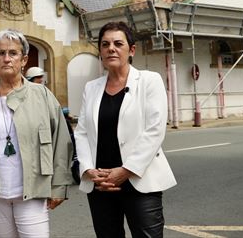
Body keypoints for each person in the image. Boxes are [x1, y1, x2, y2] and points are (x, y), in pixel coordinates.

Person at [0, 29, 73, 237]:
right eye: (1, 53)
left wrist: (59, 185)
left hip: (33, 189)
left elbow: (61, 141)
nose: (7, 59)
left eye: (13, 53)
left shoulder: (43, 95)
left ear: (24, 59)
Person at [74, 21, 177, 238]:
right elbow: (82, 132)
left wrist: (125, 171)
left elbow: (154, 130)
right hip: (101, 183)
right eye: (105, 44)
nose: (111, 48)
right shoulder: (91, 88)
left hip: (139, 181)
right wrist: (87, 169)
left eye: (118, 43)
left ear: (131, 50)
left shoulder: (149, 81)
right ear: (100, 52)